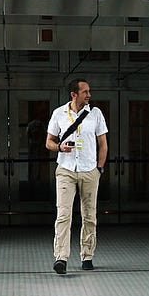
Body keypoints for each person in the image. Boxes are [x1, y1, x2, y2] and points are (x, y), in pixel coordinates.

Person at [45, 78, 107, 274]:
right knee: (63, 215)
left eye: (89, 91)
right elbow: (48, 142)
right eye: (85, 92)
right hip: (66, 170)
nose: (89, 95)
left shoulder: (95, 114)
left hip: (89, 170)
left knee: (89, 215)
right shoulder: (59, 114)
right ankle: (61, 258)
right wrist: (59, 148)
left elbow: (103, 144)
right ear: (74, 94)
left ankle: (87, 256)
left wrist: (99, 169)